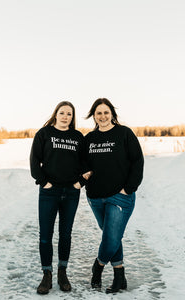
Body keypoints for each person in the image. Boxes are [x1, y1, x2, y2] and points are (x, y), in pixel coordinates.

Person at [83, 98, 144, 294]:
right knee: (112, 236)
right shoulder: (89, 139)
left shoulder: (124, 133)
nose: (102, 116)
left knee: (110, 238)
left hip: (120, 196)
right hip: (95, 197)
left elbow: (137, 161)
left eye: (106, 112)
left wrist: (129, 188)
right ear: (94, 116)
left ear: (112, 114)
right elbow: (82, 164)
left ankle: (98, 267)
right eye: (98, 113)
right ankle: (120, 276)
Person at [30, 101, 87, 294]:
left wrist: (81, 182)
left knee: (65, 234)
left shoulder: (78, 137)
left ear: (72, 117)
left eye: (69, 114)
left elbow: (87, 163)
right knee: (45, 236)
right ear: (56, 114)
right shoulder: (44, 134)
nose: (65, 116)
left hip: (71, 192)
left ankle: (62, 273)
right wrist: (43, 181)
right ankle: (46, 274)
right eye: (62, 113)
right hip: (49, 192)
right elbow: (34, 160)